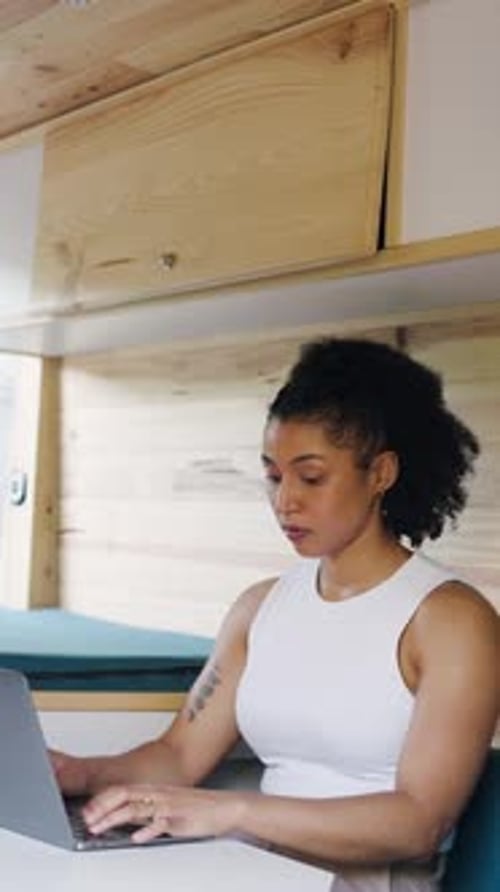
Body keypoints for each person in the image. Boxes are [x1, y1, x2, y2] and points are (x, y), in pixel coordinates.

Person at [51, 337, 499, 891]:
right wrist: (79, 773)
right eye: (273, 475)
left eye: (310, 477)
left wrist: (231, 811)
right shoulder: (259, 607)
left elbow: (419, 823)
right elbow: (178, 755)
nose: (285, 500)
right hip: (258, 863)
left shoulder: (452, 621)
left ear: (380, 474)